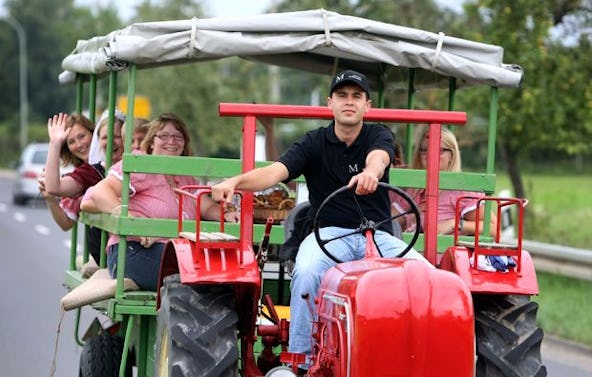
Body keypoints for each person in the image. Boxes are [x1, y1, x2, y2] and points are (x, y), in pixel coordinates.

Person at [211, 70, 429, 369]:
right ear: (330, 103)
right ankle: (302, 362)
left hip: (377, 235)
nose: (349, 102)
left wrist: (370, 174)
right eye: (342, 95)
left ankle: (422, 362)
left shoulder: (378, 135)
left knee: (429, 279)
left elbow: (378, 158)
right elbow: (275, 172)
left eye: (356, 96)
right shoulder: (313, 142)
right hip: (329, 235)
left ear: (368, 105)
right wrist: (234, 182)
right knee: (307, 271)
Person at [80, 113, 239, 291]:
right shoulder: (142, 165)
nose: (171, 141)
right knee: (201, 276)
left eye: (178, 136)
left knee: (224, 270)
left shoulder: (186, 178)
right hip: (133, 251)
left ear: (184, 143)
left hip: (176, 252)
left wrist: (227, 214)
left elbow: (206, 206)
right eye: (164, 135)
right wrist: (129, 218)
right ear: (151, 142)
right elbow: (100, 191)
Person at [40, 113, 125, 265]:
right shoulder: (87, 172)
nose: (79, 144)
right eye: (71, 141)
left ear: (93, 135)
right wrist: (55, 143)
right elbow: (66, 222)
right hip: (108, 252)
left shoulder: (129, 164)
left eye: (82, 136)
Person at [392, 127, 497, 236]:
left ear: (452, 155)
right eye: (424, 150)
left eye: (439, 150)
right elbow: (393, 216)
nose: (430, 155)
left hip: (443, 252)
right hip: (411, 251)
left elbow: (493, 228)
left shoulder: (461, 189)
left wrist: (454, 224)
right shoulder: (416, 189)